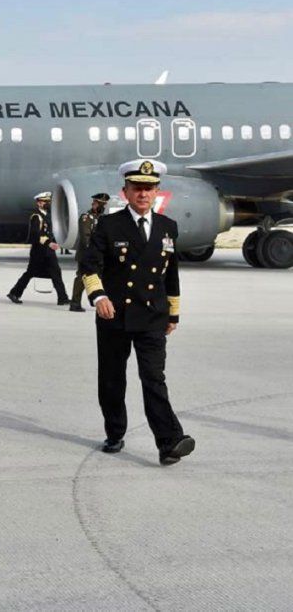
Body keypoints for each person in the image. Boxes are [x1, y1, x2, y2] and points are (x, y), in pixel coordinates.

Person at [80, 159, 195, 465]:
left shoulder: (167, 227)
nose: (143, 194)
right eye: (137, 189)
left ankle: (169, 442)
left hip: (152, 316)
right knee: (112, 380)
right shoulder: (108, 225)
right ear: (126, 192)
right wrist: (98, 296)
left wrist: (173, 314)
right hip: (113, 315)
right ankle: (115, 432)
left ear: (157, 191)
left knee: (154, 378)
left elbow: (171, 275)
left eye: (149, 188)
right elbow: (89, 266)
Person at [6, 192, 69, 306]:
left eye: (49, 202)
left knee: (56, 272)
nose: (48, 204)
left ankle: (63, 298)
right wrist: (49, 243)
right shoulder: (36, 217)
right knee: (30, 273)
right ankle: (14, 293)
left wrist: (54, 242)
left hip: (48, 251)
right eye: (46, 202)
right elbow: (35, 234)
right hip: (39, 251)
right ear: (39, 203)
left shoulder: (47, 215)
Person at [69, 192, 110, 312]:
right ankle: (75, 303)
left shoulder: (103, 219)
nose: (95, 205)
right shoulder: (86, 217)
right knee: (82, 278)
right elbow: (85, 236)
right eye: (95, 203)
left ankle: (96, 299)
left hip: (100, 254)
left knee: (100, 278)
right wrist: (92, 252)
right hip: (86, 254)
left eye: (99, 204)